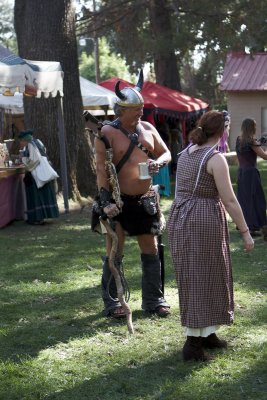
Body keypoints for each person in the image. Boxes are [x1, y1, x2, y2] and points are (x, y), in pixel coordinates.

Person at [167, 110, 254, 362]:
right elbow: (229, 199)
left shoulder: (185, 153)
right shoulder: (215, 158)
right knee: (199, 277)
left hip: (182, 216)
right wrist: (246, 232)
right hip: (201, 218)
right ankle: (193, 343)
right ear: (222, 130)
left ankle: (208, 332)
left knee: (206, 273)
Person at [93, 71, 171, 319]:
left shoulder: (147, 128)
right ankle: (112, 301)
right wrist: (106, 203)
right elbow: (101, 170)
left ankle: (154, 300)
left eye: (141, 107)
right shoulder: (106, 133)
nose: (140, 112)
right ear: (121, 109)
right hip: (117, 202)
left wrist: (158, 162)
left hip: (145, 200)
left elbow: (167, 153)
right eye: (135, 108)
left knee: (151, 248)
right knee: (114, 252)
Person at [18, 129, 59, 225]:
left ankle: (37, 218)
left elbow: (34, 160)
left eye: (21, 141)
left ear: (25, 140)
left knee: (36, 196)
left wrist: (24, 161)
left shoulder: (31, 145)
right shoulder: (38, 142)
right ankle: (41, 216)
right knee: (43, 195)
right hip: (43, 172)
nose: (20, 143)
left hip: (36, 174)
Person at [235, 118, 267, 238]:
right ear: (252, 127)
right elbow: (264, 156)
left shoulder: (239, 140)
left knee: (245, 200)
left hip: (242, 172)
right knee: (258, 200)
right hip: (251, 173)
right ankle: (255, 226)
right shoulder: (251, 141)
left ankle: (247, 226)